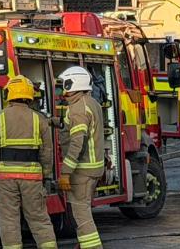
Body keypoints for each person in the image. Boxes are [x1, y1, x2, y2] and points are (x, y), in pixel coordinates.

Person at [0, 75, 57, 249]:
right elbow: (47, 152)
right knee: (39, 219)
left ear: (9, 94)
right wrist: (46, 175)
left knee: (9, 221)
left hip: (5, 180)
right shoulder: (40, 119)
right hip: (32, 180)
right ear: (30, 95)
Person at [57, 66, 106, 249]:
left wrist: (65, 173)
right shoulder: (91, 102)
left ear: (73, 83)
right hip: (93, 168)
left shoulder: (78, 108)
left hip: (82, 170)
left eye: (65, 85)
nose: (63, 91)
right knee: (84, 210)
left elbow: (77, 143)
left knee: (81, 214)